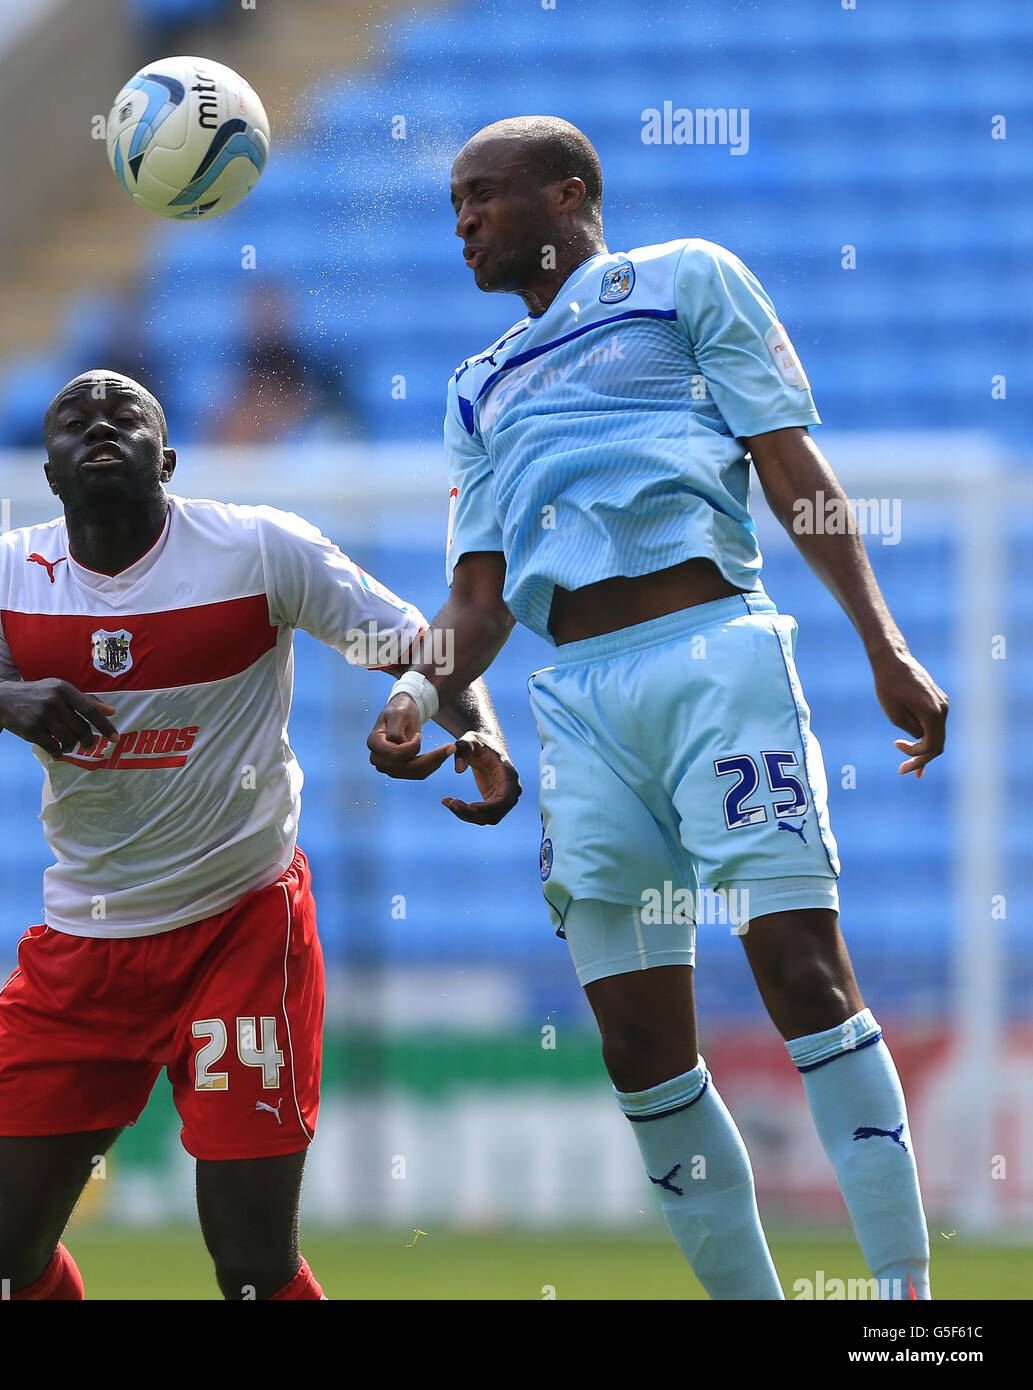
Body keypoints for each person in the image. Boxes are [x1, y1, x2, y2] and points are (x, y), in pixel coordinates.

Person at [367, 117, 947, 1300]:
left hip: (711, 662)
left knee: (798, 968)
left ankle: (900, 1300)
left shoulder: (684, 280)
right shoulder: (475, 389)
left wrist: (883, 647)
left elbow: (791, 469)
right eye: (451, 206)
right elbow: (476, 599)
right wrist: (422, 690)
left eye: (483, 195)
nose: (464, 221)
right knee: (636, 1041)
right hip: (575, 707)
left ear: (567, 193)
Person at [0, 369, 519, 1301]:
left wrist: (472, 727)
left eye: (126, 414)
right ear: (50, 471)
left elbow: (425, 648)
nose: (100, 422)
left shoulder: (258, 550)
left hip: (242, 928)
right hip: (86, 943)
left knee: (250, 1267)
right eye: (75, 418)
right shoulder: (6, 579)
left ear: (171, 457)